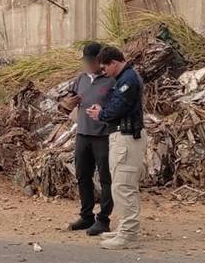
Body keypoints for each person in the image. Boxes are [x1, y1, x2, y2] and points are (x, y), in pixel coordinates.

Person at [86, 46, 146, 250]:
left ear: (114, 62)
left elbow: (118, 106)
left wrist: (101, 115)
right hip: (121, 136)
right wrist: (104, 112)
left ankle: (129, 235)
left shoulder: (128, 79)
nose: (104, 72)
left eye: (105, 68)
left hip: (128, 137)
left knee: (124, 186)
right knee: (120, 185)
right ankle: (125, 229)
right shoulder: (123, 79)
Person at [60, 42, 114, 236]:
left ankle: (104, 219)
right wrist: (67, 103)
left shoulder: (111, 80)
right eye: (86, 61)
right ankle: (86, 216)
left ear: (100, 61)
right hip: (83, 133)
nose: (89, 65)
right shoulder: (81, 79)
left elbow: (119, 106)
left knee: (106, 178)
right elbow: (65, 104)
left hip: (104, 136)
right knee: (83, 175)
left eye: (92, 61)